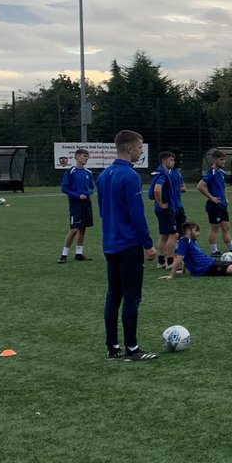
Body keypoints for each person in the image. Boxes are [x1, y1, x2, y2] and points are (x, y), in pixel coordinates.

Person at [97, 130, 159, 361]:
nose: (141, 151)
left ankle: (112, 348)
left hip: (110, 244)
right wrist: (148, 245)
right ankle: (132, 349)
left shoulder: (103, 176)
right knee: (132, 297)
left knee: (114, 295)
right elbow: (137, 215)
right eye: (140, 147)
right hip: (129, 245)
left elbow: (103, 211)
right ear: (130, 148)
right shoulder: (131, 177)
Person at [197, 149, 232, 256]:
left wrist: (226, 198)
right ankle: (214, 251)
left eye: (224, 160)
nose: (223, 162)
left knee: (226, 227)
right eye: (221, 160)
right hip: (214, 206)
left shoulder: (222, 173)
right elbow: (200, 186)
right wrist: (211, 198)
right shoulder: (211, 172)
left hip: (222, 205)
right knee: (214, 228)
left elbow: (223, 186)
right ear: (214, 160)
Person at [59, 147, 95, 263]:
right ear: (77, 156)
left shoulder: (88, 173)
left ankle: (79, 253)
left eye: (87, 157)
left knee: (83, 228)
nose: (86, 159)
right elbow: (64, 188)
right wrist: (77, 195)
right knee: (74, 229)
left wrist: (87, 193)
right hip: (76, 204)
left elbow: (91, 188)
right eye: (84, 156)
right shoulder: (70, 172)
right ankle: (64, 255)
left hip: (86, 203)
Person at [151, 151, 178, 271]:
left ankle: (161, 262)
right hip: (165, 209)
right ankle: (170, 262)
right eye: (171, 160)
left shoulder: (160, 173)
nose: (173, 162)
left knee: (164, 235)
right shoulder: (162, 174)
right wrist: (160, 203)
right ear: (164, 161)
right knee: (174, 234)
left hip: (161, 209)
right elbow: (157, 190)